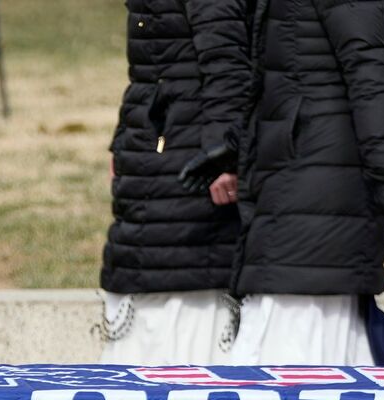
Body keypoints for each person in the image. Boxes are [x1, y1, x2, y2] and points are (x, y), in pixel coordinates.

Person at [182, 0, 384, 365]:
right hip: (294, 175)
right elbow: (284, 76)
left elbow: (368, 71)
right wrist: (236, 145)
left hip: (321, 180)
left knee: (301, 340)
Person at [97, 0, 253, 365]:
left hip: (192, 155)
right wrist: (124, 142)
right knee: (153, 274)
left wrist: (226, 156)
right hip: (156, 147)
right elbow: (151, 67)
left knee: (184, 282)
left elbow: (228, 64)